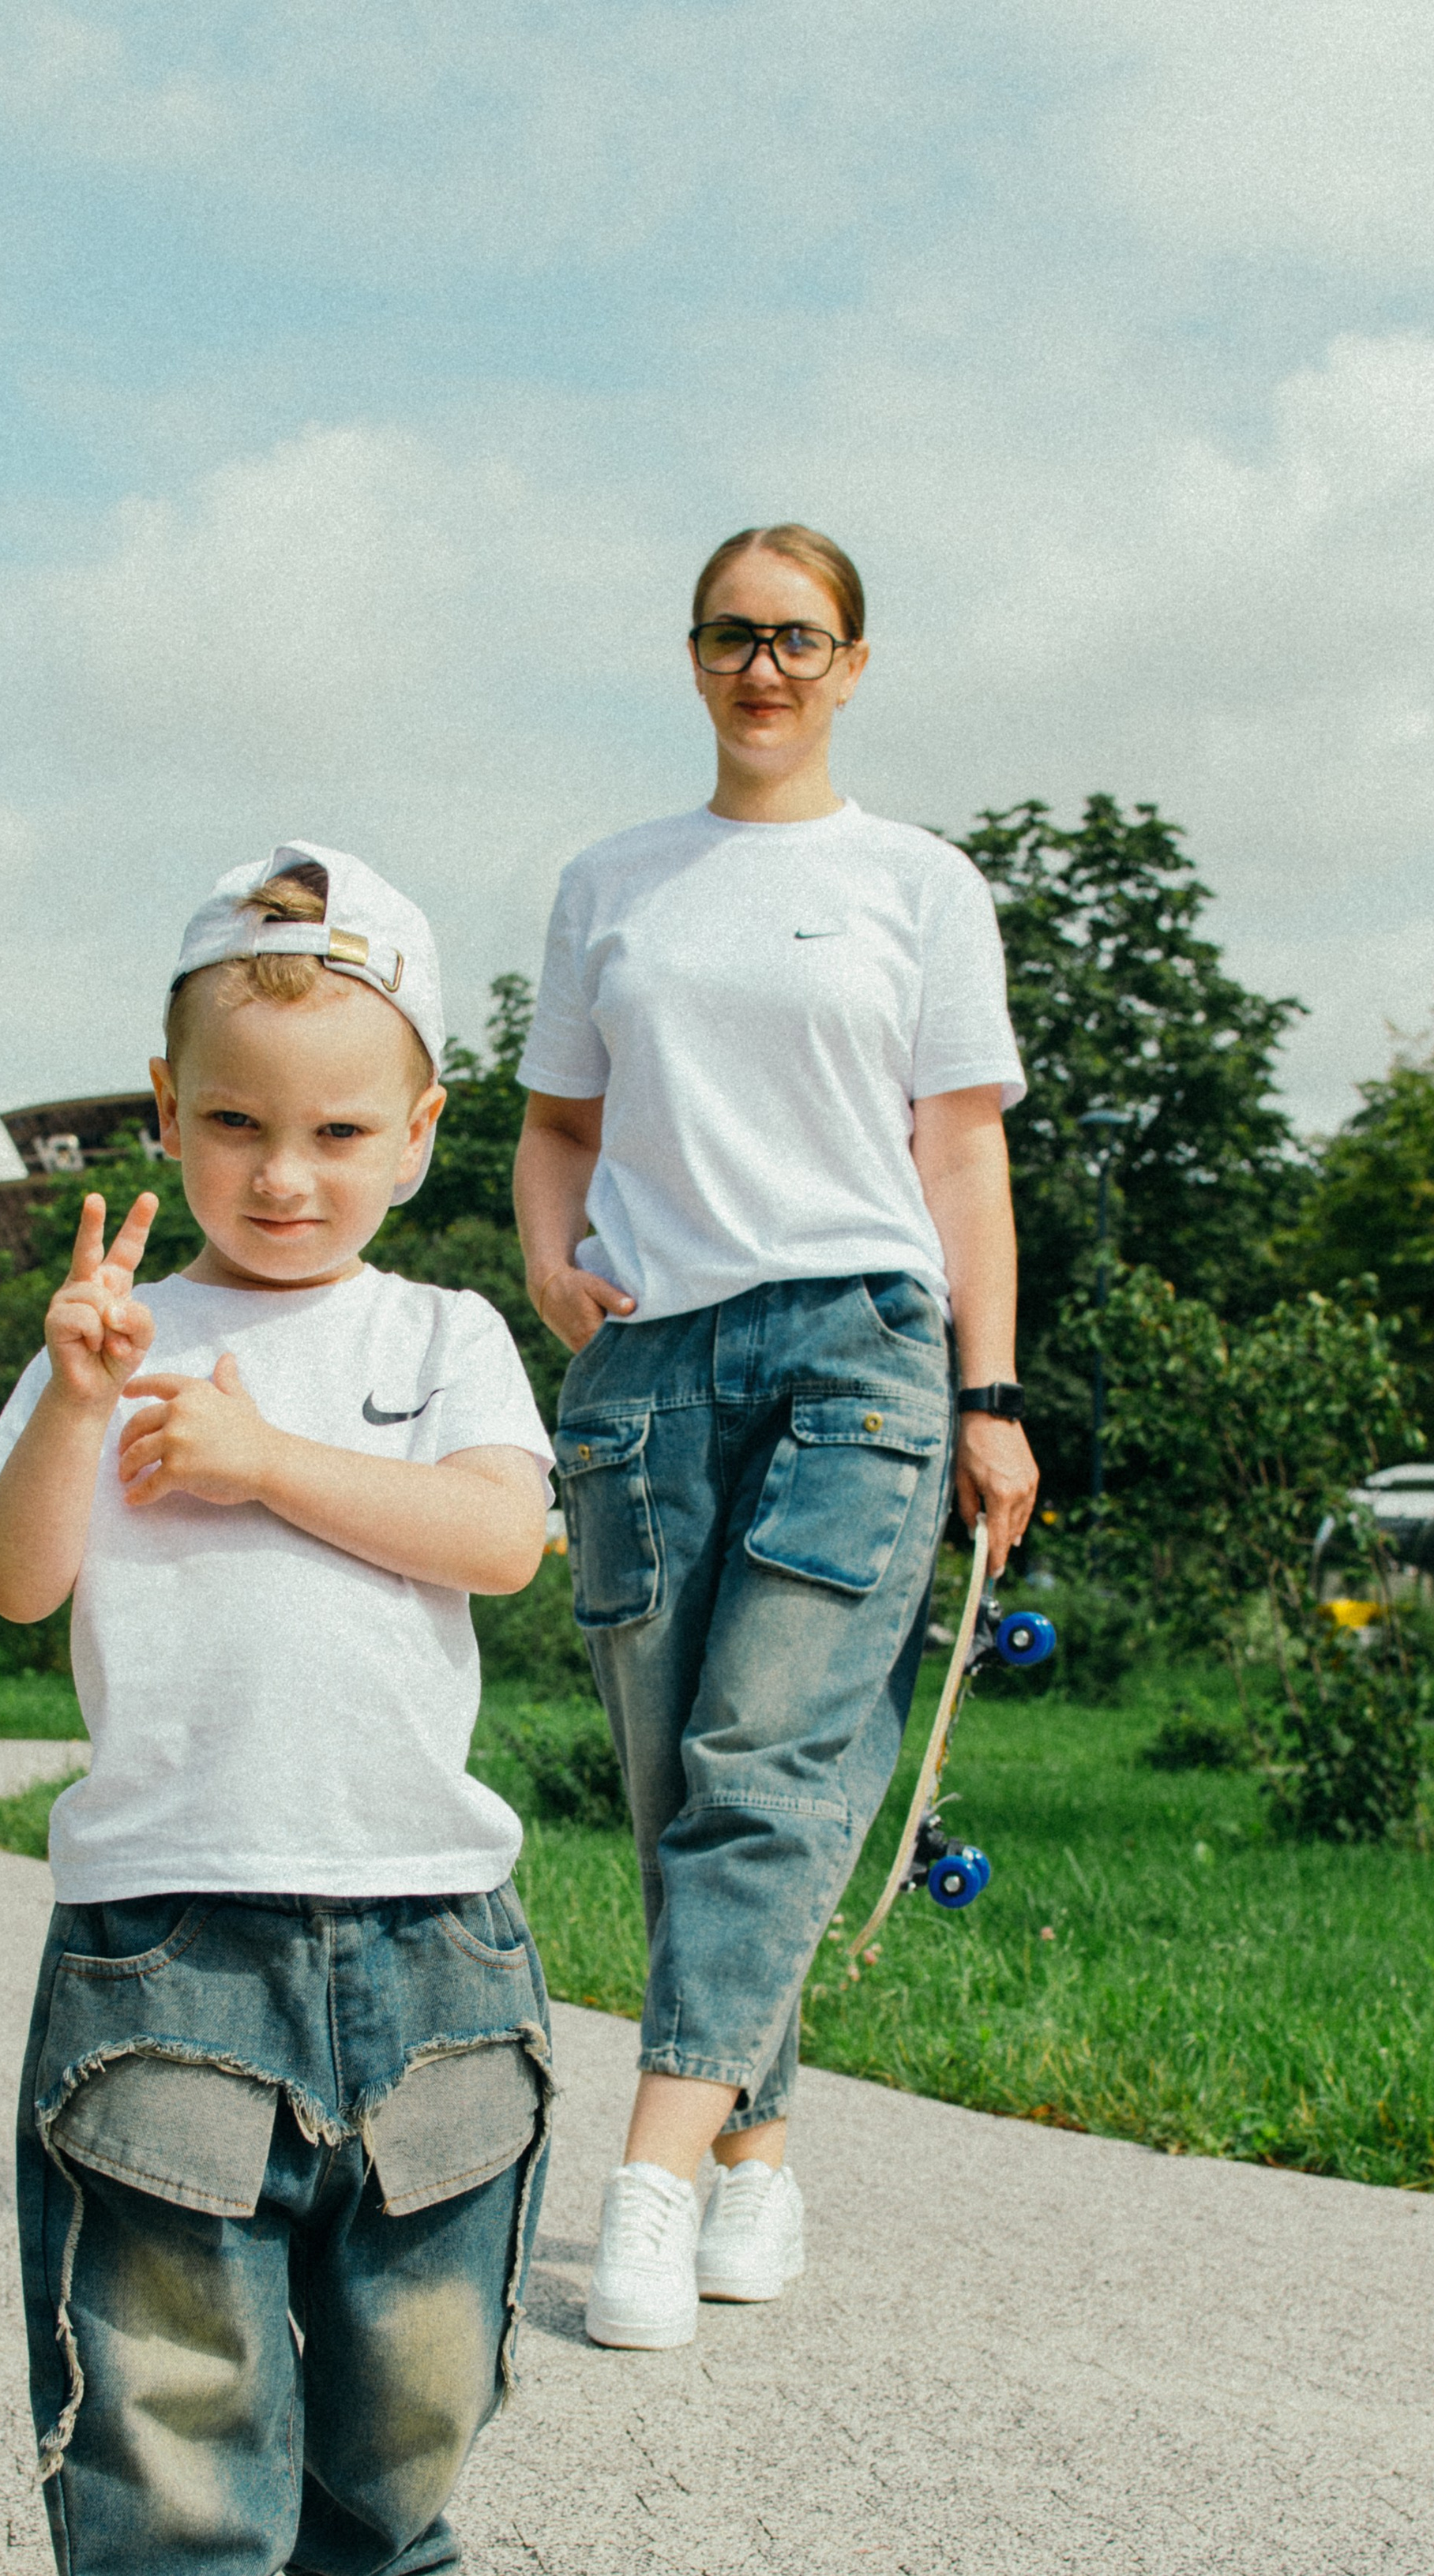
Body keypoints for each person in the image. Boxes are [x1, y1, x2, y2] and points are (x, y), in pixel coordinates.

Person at [0, 846, 556, 2576]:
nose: (280, 1174)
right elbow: (15, 1582)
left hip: (424, 1916)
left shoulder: (447, 1329)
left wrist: (259, 1457)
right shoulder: (118, 1337)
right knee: (165, 2317)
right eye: (231, 1124)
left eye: (331, 1132)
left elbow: (499, 1539)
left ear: (417, 1134)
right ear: (162, 1109)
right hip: (167, 1916)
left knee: (415, 2313)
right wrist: (75, 1397)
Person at [513, 523, 1038, 2352]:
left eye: (800, 639)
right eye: (734, 636)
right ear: (688, 657)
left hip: (861, 1353)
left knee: (764, 1753)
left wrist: (988, 1394)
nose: (766, 668)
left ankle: (643, 2182)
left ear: (854, 664)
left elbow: (960, 1155)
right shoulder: (611, 883)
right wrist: (545, 1264)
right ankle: (756, 2159)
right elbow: (555, 1126)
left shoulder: (916, 883)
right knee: (680, 1791)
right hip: (649, 1366)